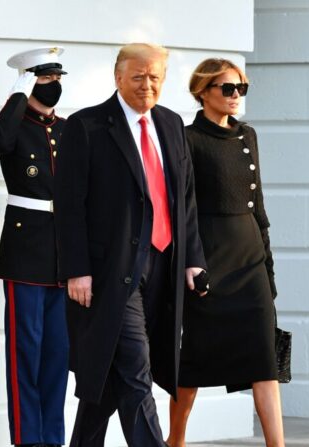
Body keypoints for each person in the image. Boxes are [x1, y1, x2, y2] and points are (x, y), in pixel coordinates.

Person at [53, 43, 207, 447]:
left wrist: (192, 260)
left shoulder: (172, 124)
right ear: (118, 77)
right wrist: (76, 269)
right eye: (138, 76)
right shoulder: (85, 126)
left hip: (164, 267)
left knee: (107, 377)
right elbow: (69, 206)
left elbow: (184, 198)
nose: (147, 85)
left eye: (155, 76)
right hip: (111, 271)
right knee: (136, 371)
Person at [165, 59, 285, 447]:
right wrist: (189, 261)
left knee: (265, 360)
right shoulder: (186, 138)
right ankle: (176, 440)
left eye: (241, 89)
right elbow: (181, 207)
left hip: (250, 259)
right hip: (210, 258)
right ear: (203, 92)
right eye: (227, 89)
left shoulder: (247, 136)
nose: (236, 96)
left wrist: (268, 268)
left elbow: (259, 207)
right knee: (195, 362)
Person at [0, 47, 69, 447]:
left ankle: (53, 437)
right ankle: (26, 439)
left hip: (62, 255)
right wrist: (19, 93)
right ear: (28, 80)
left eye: (57, 79)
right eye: (45, 79)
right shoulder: (14, 127)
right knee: (25, 352)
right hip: (25, 251)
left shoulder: (69, 129)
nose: (53, 86)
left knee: (58, 354)